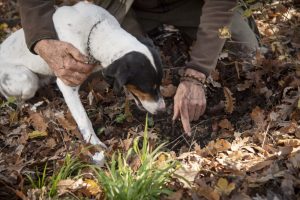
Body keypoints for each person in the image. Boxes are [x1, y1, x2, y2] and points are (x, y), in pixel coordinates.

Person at [18, 0, 259, 134]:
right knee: (82, 74)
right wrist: (40, 40)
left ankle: (177, 38)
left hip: (191, 3)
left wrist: (197, 72)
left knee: (246, 51)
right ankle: (151, 39)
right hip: (126, 6)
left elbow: (221, 7)